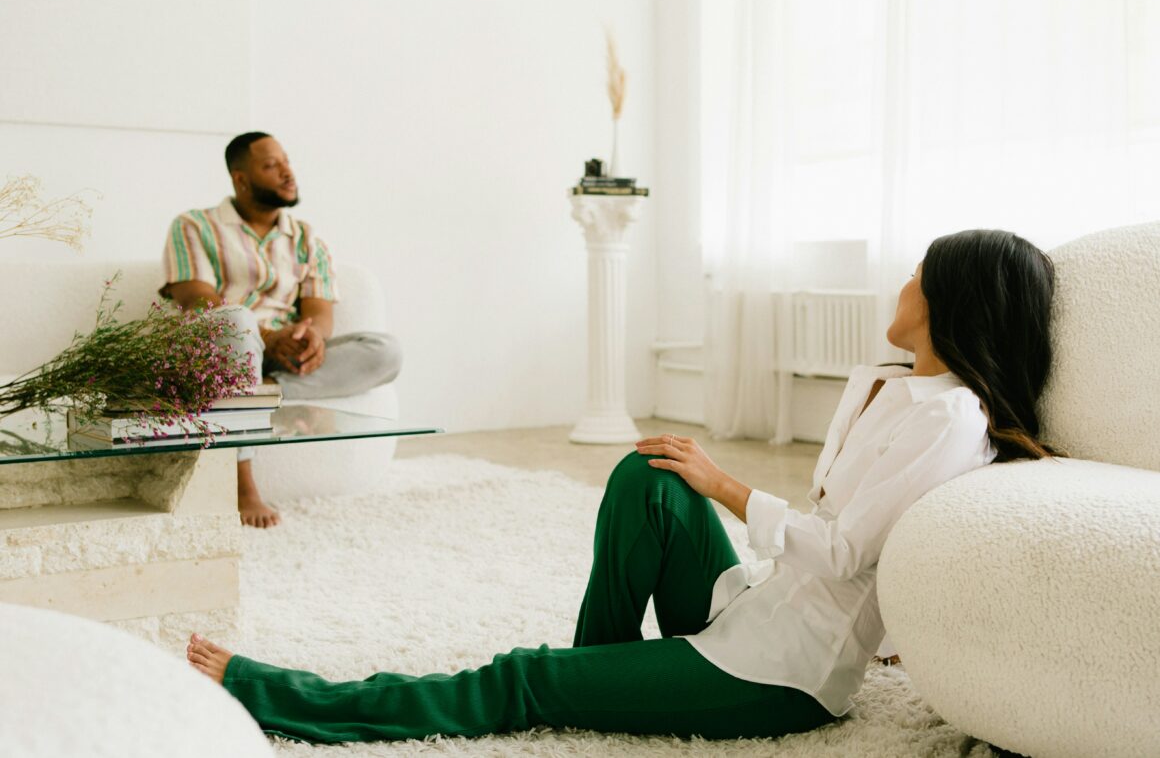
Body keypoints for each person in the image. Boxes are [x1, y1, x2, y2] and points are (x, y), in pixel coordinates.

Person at [187, 229, 1056, 742]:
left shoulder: (949, 419)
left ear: (950, 299)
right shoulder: (888, 381)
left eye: (918, 273)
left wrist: (727, 484)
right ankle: (594, 674)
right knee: (651, 473)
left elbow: (843, 555)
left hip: (780, 676)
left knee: (520, 676)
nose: (901, 281)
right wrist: (702, 483)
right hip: (751, 608)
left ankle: (277, 693)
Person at [161, 132, 402, 529]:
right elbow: (195, 297)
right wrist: (262, 334)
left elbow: (320, 312)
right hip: (223, 347)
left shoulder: (306, 237)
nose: (288, 172)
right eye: (271, 165)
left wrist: (312, 339)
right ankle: (243, 486)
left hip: (280, 353)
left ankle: (259, 387)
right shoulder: (194, 226)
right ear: (240, 179)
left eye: (287, 161)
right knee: (235, 320)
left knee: (385, 350)